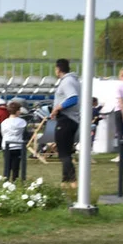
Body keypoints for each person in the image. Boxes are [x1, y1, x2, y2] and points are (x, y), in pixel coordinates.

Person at [50, 58, 80, 186]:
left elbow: (73, 98)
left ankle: (73, 180)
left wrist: (57, 108)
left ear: (58, 69)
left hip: (66, 119)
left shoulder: (67, 82)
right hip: (72, 120)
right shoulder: (74, 81)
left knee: (63, 153)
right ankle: (65, 181)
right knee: (66, 152)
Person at [1, 100, 27, 181]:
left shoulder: (4, 122)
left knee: (7, 166)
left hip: (6, 146)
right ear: (18, 111)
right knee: (16, 167)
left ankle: (6, 180)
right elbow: (24, 133)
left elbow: (3, 133)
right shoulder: (22, 122)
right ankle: (15, 181)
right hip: (18, 146)